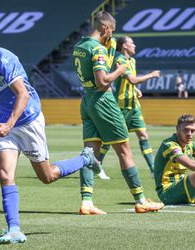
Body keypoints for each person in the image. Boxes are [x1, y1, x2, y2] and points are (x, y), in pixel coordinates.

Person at [0, 16, 101, 244]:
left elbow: (23, 94)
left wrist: (10, 123)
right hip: (6, 127)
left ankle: (85, 158)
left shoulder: (4, 58)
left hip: (27, 121)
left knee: (47, 176)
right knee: (5, 175)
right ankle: (14, 229)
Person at [72, 11, 164, 215]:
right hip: (103, 99)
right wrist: (120, 71)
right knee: (124, 151)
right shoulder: (97, 49)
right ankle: (141, 200)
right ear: (105, 28)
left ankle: (87, 202)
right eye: (111, 31)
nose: (110, 35)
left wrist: (110, 50)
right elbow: (103, 81)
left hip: (87, 100)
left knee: (89, 153)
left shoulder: (79, 46)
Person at [96, 36, 161, 179]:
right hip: (121, 106)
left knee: (143, 135)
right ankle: (97, 164)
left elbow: (131, 82)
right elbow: (131, 79)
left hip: (134, 105)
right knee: (110, 139)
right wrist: (151, 75)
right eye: (131, 43)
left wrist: (136, 90)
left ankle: (153, 170)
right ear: (124, 46)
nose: (134, 45)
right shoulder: (120, 60)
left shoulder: (133, 60)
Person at [155, 114, 195, 204]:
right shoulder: (169, 145)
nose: (189, 134)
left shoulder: (190, 145)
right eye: (186, 130)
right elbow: (191, 165)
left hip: (182, 188)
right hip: (168, 193)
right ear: (177, 129)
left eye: (192, 131)